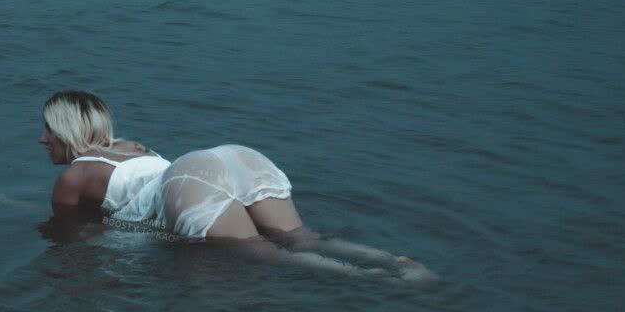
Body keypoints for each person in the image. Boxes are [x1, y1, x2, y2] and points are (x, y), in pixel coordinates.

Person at [39, 89, 436, 282]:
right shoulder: (131, 146)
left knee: (264, 254)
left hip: (187, 183)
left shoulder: (72, 178)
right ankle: (397, 261)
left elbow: (76, 237)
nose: (43, 140)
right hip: (232, 157)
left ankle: (372, 279)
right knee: (302, 238)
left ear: (66, 133)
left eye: (48, 131)